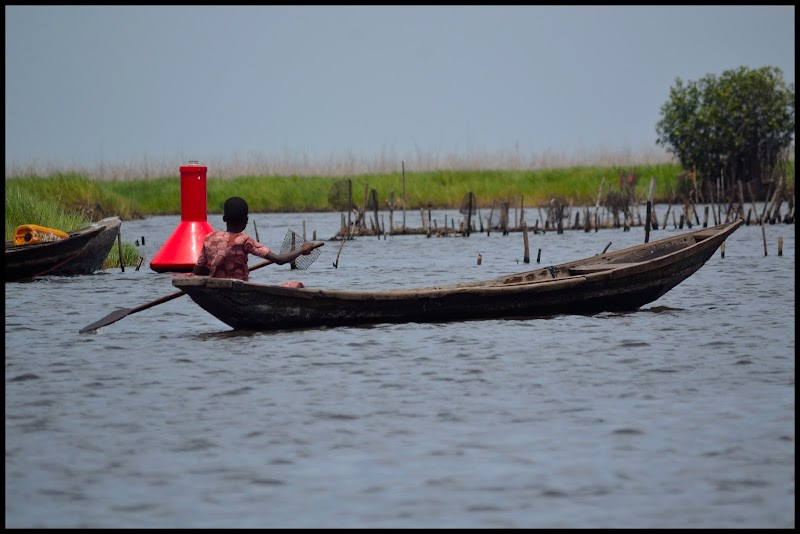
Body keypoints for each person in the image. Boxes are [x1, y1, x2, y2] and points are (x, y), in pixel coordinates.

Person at [192, 196, 319, 282]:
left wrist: (218, 271)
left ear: (224, 218)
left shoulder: (210, 238)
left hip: (216, 287)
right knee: (296, 285)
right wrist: (302, 249)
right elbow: (280, 260)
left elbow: (197, 270)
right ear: (246, 221)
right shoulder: (244, 240)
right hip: (238, 289)